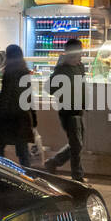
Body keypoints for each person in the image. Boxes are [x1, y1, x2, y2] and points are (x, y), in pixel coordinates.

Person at [42, 38, 86, 182]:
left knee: (77, 144)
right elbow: (48, 87)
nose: (81, 55)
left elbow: (82, 85)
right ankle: (77, 176)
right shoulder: (62, 69)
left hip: (79, 109)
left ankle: (53, 163)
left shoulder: (79, 67)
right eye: (79, 52)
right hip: (67, 111)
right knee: (76, 144)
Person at [0, 44, 37, 166]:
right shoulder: (24, 72)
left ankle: (1, 172)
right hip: (22, 117)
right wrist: (33, 117)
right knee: (22, 151)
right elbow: (28, 97)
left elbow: (6, 95)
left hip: (9, 118)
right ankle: (28, 176)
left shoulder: (9, 72)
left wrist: (0, 114)